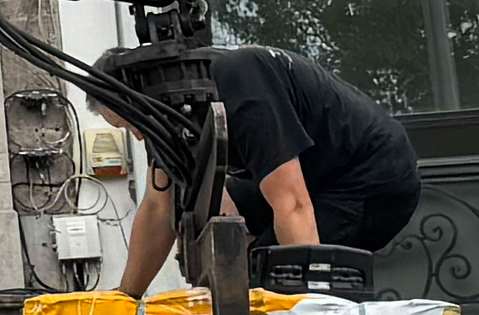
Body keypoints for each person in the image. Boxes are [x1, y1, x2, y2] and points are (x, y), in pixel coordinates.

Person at [115, 42, 422, 296]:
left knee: (266, 279)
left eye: (128, 124)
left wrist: (304, 304)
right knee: (236, 266)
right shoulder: (167, 120)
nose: (137, 135)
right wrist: (125, 298)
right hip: (316, 172)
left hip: (372, 178)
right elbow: (158, 208)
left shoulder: (240, 81)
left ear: (141, 100)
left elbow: (292, 203)